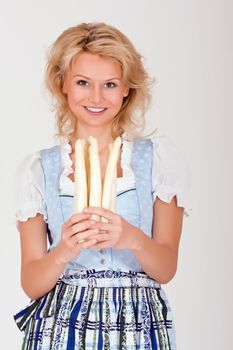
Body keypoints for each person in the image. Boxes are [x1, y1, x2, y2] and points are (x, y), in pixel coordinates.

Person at [14, 22, 190, 350]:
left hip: (138, 322)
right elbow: (31, 283)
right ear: (62, 83)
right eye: (83, 82)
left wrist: (132, 238)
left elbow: (166, 268)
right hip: (62, 326)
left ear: (127, 88)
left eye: (110, 84)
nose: (97, 97)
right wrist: (64, 250)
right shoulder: (40, 169)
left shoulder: (156, 162)